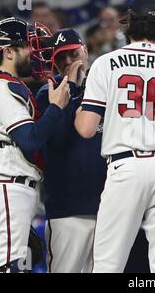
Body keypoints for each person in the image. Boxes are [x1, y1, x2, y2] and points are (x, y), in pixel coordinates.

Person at [74, 0, 155, 273]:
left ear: (129, 22)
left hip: (126, 166)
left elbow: (86, 129)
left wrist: (74, 107)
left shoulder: (106, 62)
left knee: (108, 264)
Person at [0, 17, 70, 273]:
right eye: (27, 45)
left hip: (5, 185)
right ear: (8, 52)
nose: (34, 52)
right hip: (4, 186)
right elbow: (30, 139)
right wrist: (57, 107)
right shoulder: (1, 87)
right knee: (7, 270)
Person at [35, 28, 106, 273]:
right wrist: (72, 88)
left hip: (107, 207)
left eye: (73, 53)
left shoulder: (104, 87)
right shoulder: (48, 92)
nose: (68, 62)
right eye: (61, 57)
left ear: (85, 51)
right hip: (68, 209)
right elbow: (57, 138)